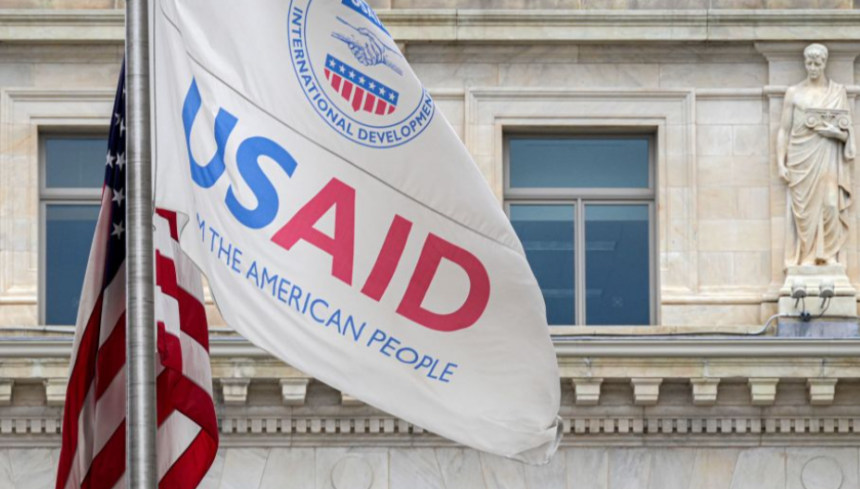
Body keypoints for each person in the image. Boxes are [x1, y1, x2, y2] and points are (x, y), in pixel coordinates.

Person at [777, 43, 856, 267]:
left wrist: (835, 134)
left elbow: (847, 131)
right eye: (809, 63)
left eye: (817, 63)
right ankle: (809, 255)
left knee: (831, 204)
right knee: (804, 210)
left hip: (828, 154)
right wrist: (780, 163)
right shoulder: (794, 93)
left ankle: (828, 254)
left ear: (824, 64)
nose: (812, 67)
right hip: (800, 157)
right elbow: (784, 129)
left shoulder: (836, 92)